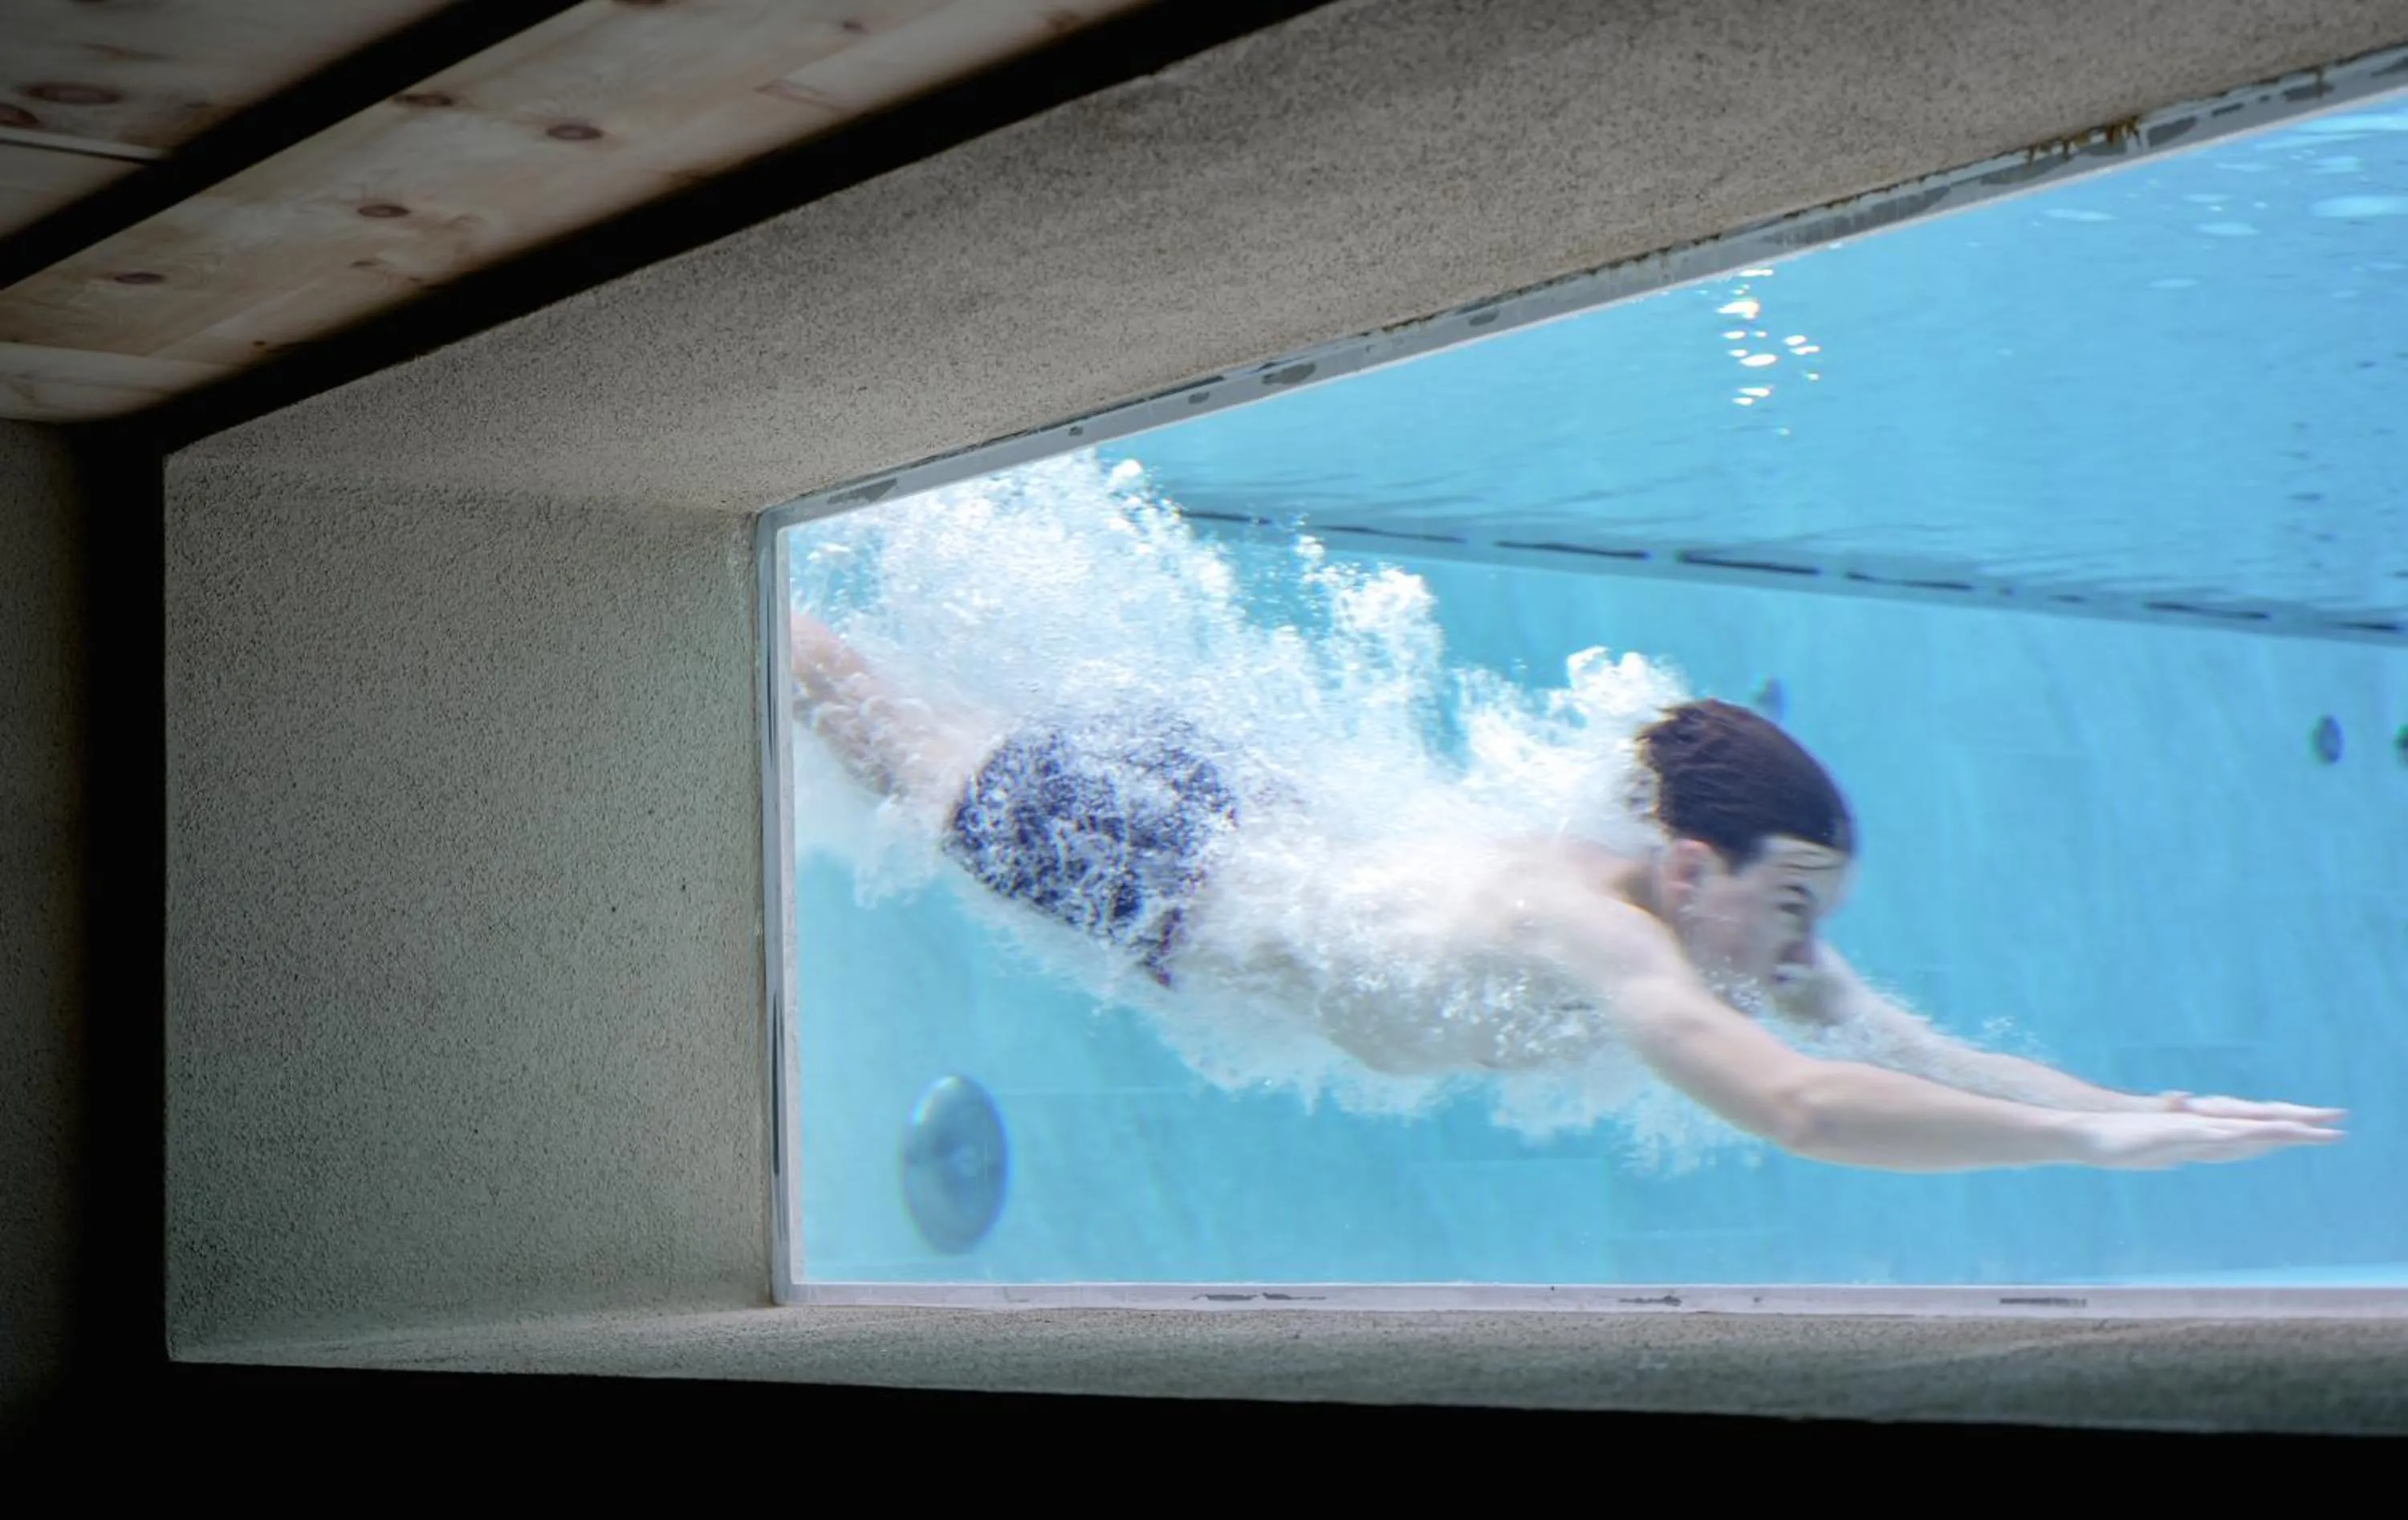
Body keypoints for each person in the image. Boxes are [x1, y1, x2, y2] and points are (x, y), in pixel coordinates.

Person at [787, 608, 2346, 1174]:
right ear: (1689, 866)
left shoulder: (1724, 928)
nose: (1810, 952)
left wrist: (2140, 1110)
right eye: (1793, 904)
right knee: (859, 713)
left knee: (900, 716)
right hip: (1169, 860)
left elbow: (1922, 1055)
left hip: (1229, 811)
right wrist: (2078, 1143)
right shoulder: (1605, 931)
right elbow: (1801, 1108)